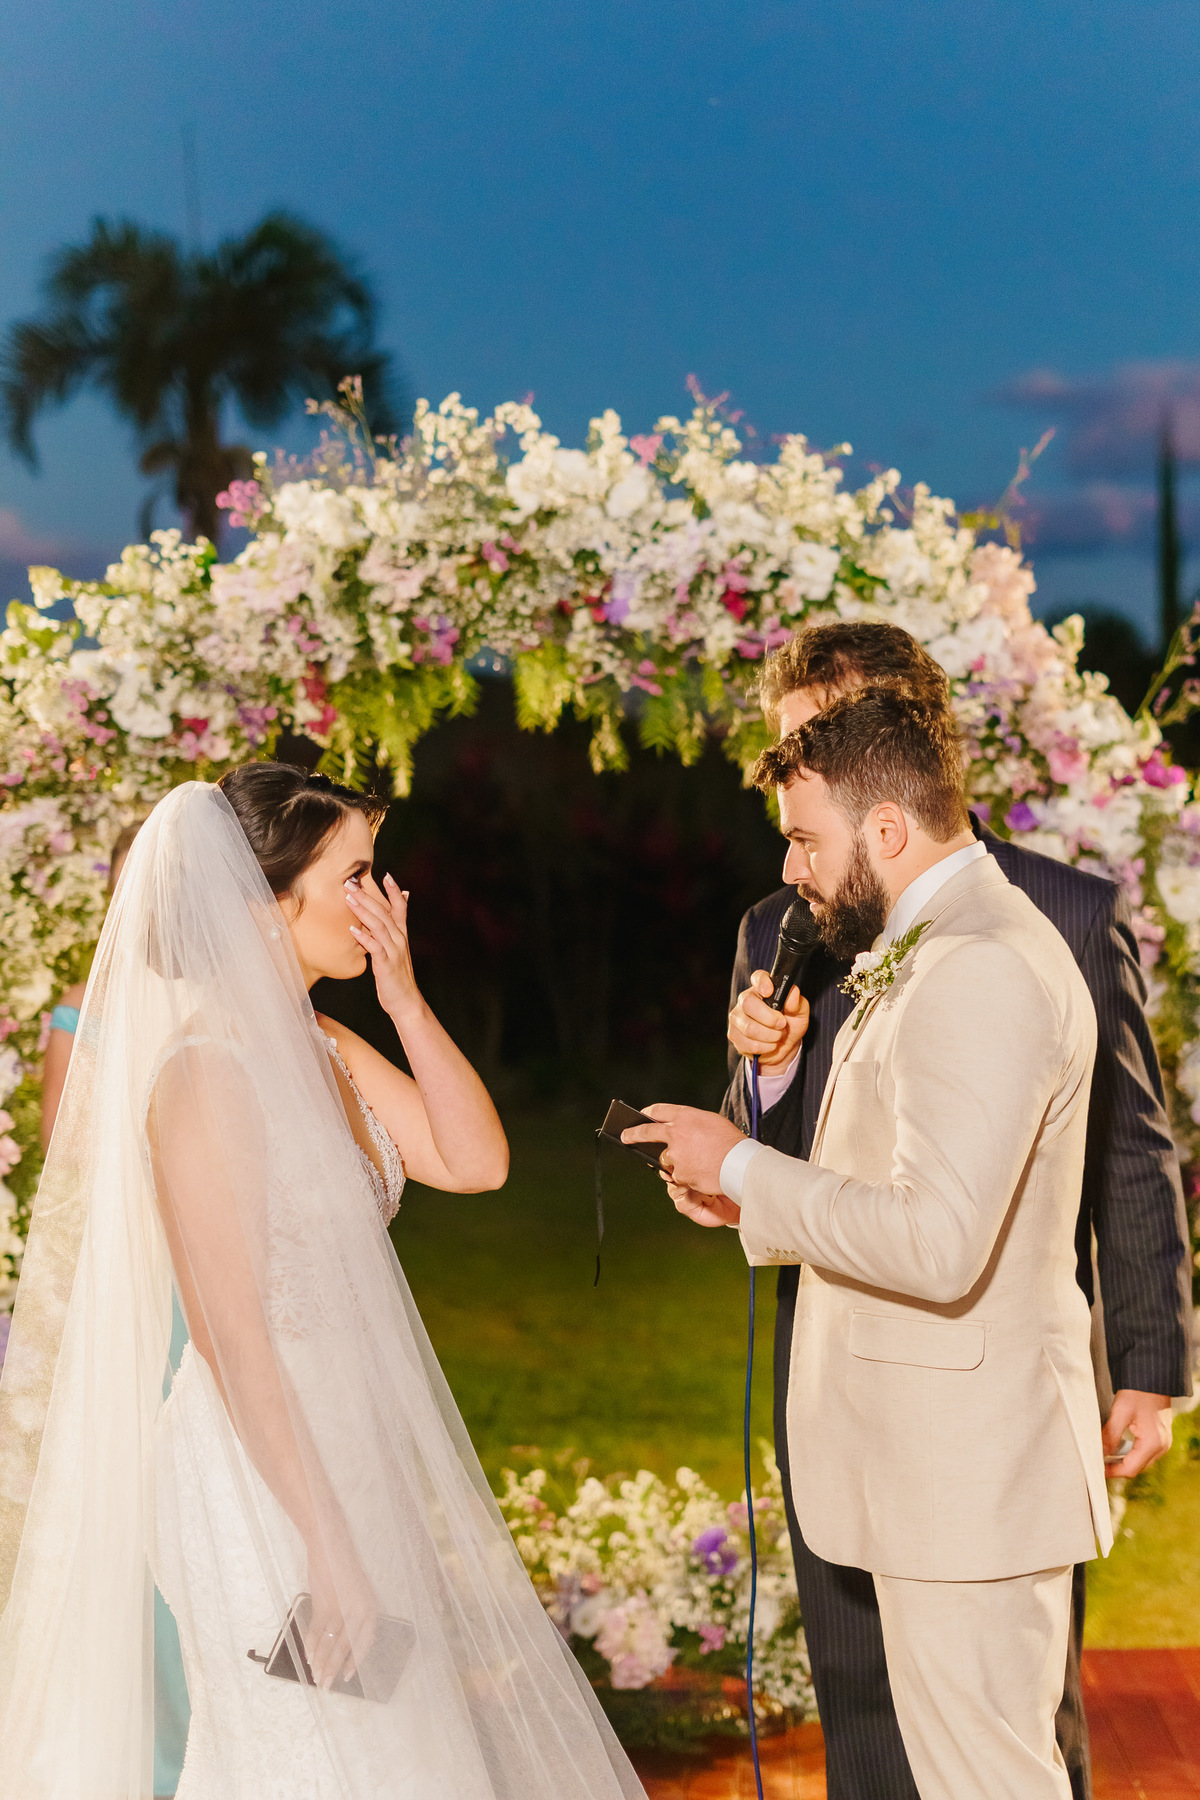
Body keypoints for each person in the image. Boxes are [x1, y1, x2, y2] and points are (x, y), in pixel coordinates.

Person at [0, 766, 647, 1800]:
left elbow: (477, 1161)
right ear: (265, 903)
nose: (378, 899)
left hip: (352, 1452)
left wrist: (405, 999)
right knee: (305, 1763)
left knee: (400, 1757)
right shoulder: (204, 1074)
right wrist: (325, 1539)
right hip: (258, 1479)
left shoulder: (328, 1045)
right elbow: (232, 1334)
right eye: (353, 875)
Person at [719, 623, 1193, 1800]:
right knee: (873, 1715)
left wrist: (1151, 1360)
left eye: (827, 740)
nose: (800, 778)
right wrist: (764, 1088)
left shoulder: (1044, 917)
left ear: (900, 744)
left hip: (978, 1403)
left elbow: (1128, 1151)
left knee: (999, 1741)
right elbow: (788, 1145)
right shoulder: (785, 923)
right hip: (849, 1372)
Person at [624, 690, 1113, 1799]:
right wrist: (746, 1199)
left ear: (885, 828)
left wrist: (743, 1167)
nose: (790, 868)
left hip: (966, 1476)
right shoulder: (932, 944)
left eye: (806, 839)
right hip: (936, 1471)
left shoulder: (978, 964)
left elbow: (939, 1242)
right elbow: (897, 1186)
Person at [39, 820, 192, 1800]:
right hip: (132, 1286)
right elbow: (69, 1175)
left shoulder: (219, 1006)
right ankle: (153, 1751)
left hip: (202, 1275)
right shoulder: (81, 1013)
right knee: (134, 1509)